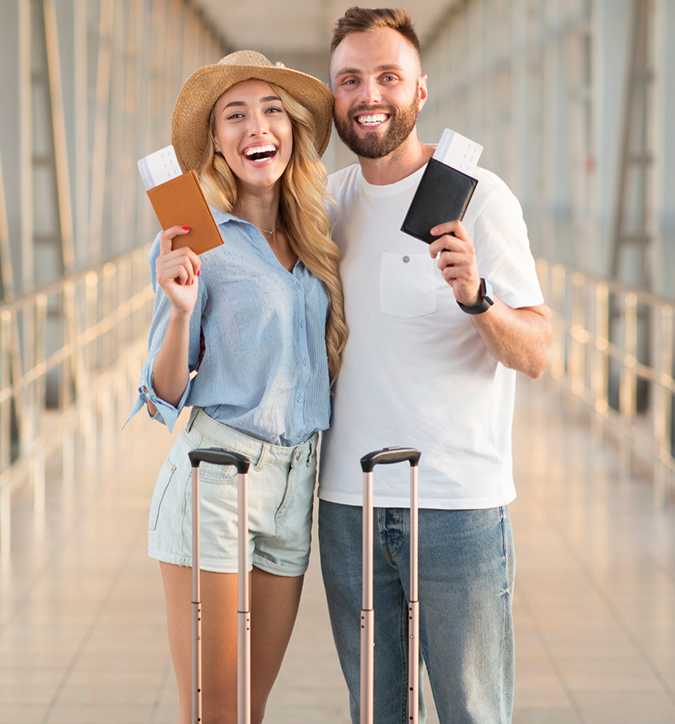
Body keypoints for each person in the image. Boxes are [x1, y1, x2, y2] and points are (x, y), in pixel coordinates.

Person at [318, 8, 553, 724]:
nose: (369, 94)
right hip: (346, 504)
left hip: (455, 505)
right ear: (332, 96)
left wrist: (477, 299)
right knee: (374, 713)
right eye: (350, 79)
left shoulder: (480, 198)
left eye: (388, 76)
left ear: (420, 92)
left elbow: (538, 351)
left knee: (471, 712)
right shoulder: (327, 203)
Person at [127, 51, 347, 724]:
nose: (259, 126)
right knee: (217, 714)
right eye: (237, 115)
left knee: (249, 708)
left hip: (293, 487)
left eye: (273, 110)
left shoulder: (316, 236)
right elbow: (163, 392)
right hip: (216, 479)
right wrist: (183, 309)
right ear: (218, 145)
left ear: (292, 131)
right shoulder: (195, 237)